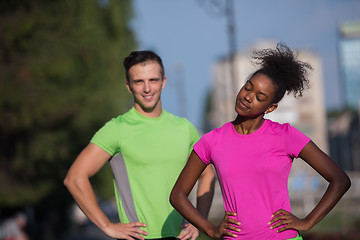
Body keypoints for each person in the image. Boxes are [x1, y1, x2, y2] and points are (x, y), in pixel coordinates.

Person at [170, 43, 351, 240]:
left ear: (270, 107)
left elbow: (339, 180)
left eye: (259, 97)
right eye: (248, 87)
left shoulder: (285, 136)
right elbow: (178, 195)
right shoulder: (212, 141)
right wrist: (210, 229)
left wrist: (307, 222)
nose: (248, 97)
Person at [64, 50, 215, 240]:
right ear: (129, 86)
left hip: (180, 237)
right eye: (139, 82)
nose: (147, 88)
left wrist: (199, 221)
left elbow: (207, 172)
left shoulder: (184, 128)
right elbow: (75, 178)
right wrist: (107, 226)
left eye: (153, 80)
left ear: (163, 82)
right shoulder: (116, 129)